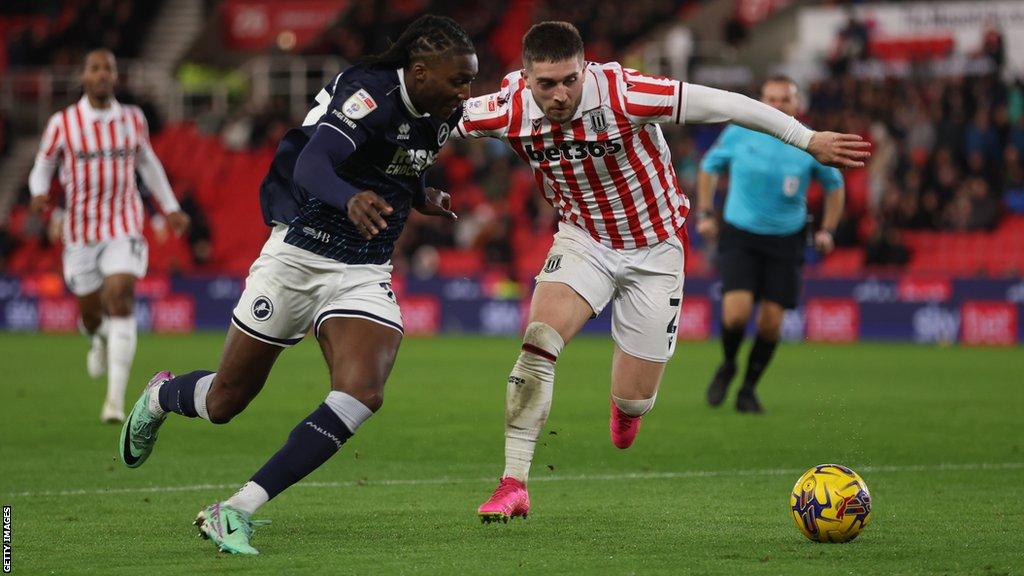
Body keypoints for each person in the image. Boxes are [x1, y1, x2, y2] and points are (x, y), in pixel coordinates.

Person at [454, 22, 868, 523]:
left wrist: (807, 139)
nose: (560, 94)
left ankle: (626, 410)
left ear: (584, 68)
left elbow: (729, 104)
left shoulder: (626, 92)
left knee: (634, 400)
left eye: (570, 79)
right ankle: (512, 483)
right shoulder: (504, 109)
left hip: (655, 250)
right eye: (547, 84)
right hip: (583, 239)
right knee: (538, 342)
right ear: (526, 77)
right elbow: (423, 122)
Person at [117, 15, 477, 555]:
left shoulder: (442, 111)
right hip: (299, 256)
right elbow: (313, 164)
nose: (465, 92)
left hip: (364, 270)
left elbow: (405, 161)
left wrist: (423, 196)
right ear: (419, 72)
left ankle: (235, 509)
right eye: (457, 80)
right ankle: (161, 395)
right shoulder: (368, 92)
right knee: (224, 402)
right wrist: (349, 198)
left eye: (470, 80)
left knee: (362, 393)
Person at [28, 49, 189, 424]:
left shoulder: (132, 119)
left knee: (120, 294)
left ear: (116, 78)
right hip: (81, 232)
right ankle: (96, 339)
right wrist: (38, 192)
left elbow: (147, 163)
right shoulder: (63, 123)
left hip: (123, 224)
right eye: (95, 69)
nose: (102, 74)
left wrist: (170, 207)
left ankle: (114, 400)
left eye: (108, 69)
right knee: (91, 314)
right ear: (83, 77)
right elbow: (43, 164)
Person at [696, 75, 845, 414]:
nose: (777, 106)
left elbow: (835, 184)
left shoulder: (809, 141)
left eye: (785, 100)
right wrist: (705, 212)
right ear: (761, 102)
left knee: (771, 323)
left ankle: (748, 388)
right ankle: (729, 363)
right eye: (771, 99)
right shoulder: (739, 132)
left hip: (786, 240)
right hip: (741, 234)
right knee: (736, 314)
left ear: (797, 104)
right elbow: (708, 167)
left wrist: (828, 230)